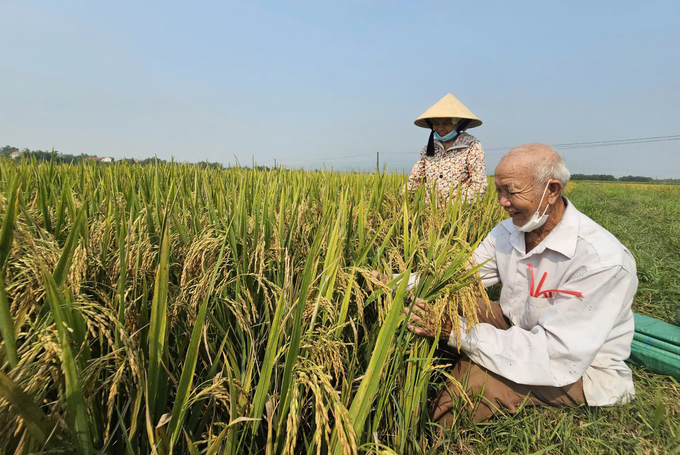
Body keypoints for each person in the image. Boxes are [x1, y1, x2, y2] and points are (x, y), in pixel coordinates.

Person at [405, 144, 638, 423]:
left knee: (462, 393)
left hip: (576, 365)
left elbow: (556, 353)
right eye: (498, 192)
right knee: (427, 304)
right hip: (515, 323)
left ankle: (432, 436)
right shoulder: (507, 232)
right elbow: (458, 277)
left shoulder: (601, 260)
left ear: (552, 190)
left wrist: (456, 332)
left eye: (511, 191)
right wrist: (395, 284)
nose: (502, 202)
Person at [407, 93, 487, 202]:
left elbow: (479, 183)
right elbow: (415, 179)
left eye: (446, 123)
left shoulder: (471, 146)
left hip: (460, 212)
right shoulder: (429, 148)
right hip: (430, 209)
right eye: (436, 123)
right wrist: (405, 202)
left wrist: (456, 207)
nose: (440, 128)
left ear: (458, 124)